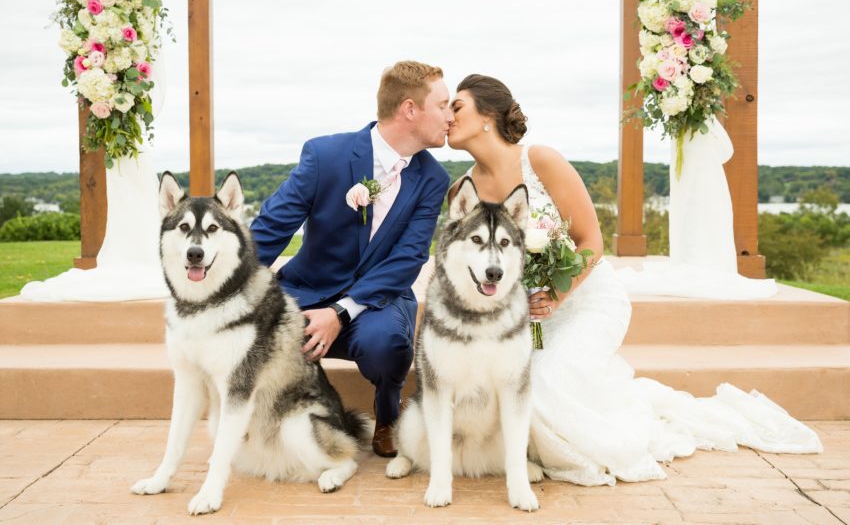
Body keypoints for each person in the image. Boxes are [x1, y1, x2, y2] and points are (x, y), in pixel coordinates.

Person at [446, 74, 821, 486]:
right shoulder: (462, 191)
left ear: (487, 115)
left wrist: (555, 293)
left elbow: (591, 241)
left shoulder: (541, 161)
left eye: (456, 106)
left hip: (587, 302)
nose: (447, 116)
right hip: (529, 321)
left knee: (546, 384)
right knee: (510, 392)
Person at [251, 60, 453, 457]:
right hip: (307, 288)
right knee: (254, 328)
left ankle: (386, 416)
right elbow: (271, 230)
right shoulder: (326, 154)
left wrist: (339, 313)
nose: (451, 116)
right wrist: (228, 286)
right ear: (410, 109)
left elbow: (408, 257)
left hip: (381, 297)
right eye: (444, 105)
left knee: (388, 343)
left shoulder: (433, 178)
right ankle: (272, 419)